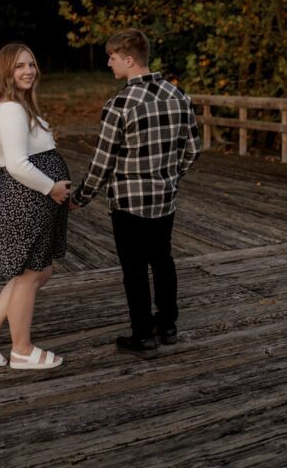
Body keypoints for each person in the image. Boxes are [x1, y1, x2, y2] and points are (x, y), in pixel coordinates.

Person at [69, 29, 202, 359]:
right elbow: (194, 149)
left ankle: (142, 336)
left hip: (129, 203)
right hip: (165, 199)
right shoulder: (179, 96)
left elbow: (102, 163)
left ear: (129, 60)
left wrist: (80, 197)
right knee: (162, 260)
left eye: (112, 57)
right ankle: (168, 325)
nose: (108, 63)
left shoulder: (119, 105)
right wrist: (170, 176)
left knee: (134, 269)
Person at [0, 43, 71, 370]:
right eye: (19, 67)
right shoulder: (10, 109)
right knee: (29, 274)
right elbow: (16, 164)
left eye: (31, 64)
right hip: (27, 199)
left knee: (42, 268)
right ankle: (22, 350)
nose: (28, 71)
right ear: (6, 72)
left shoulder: (23, 106)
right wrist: (51, 187)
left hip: (39, 200)